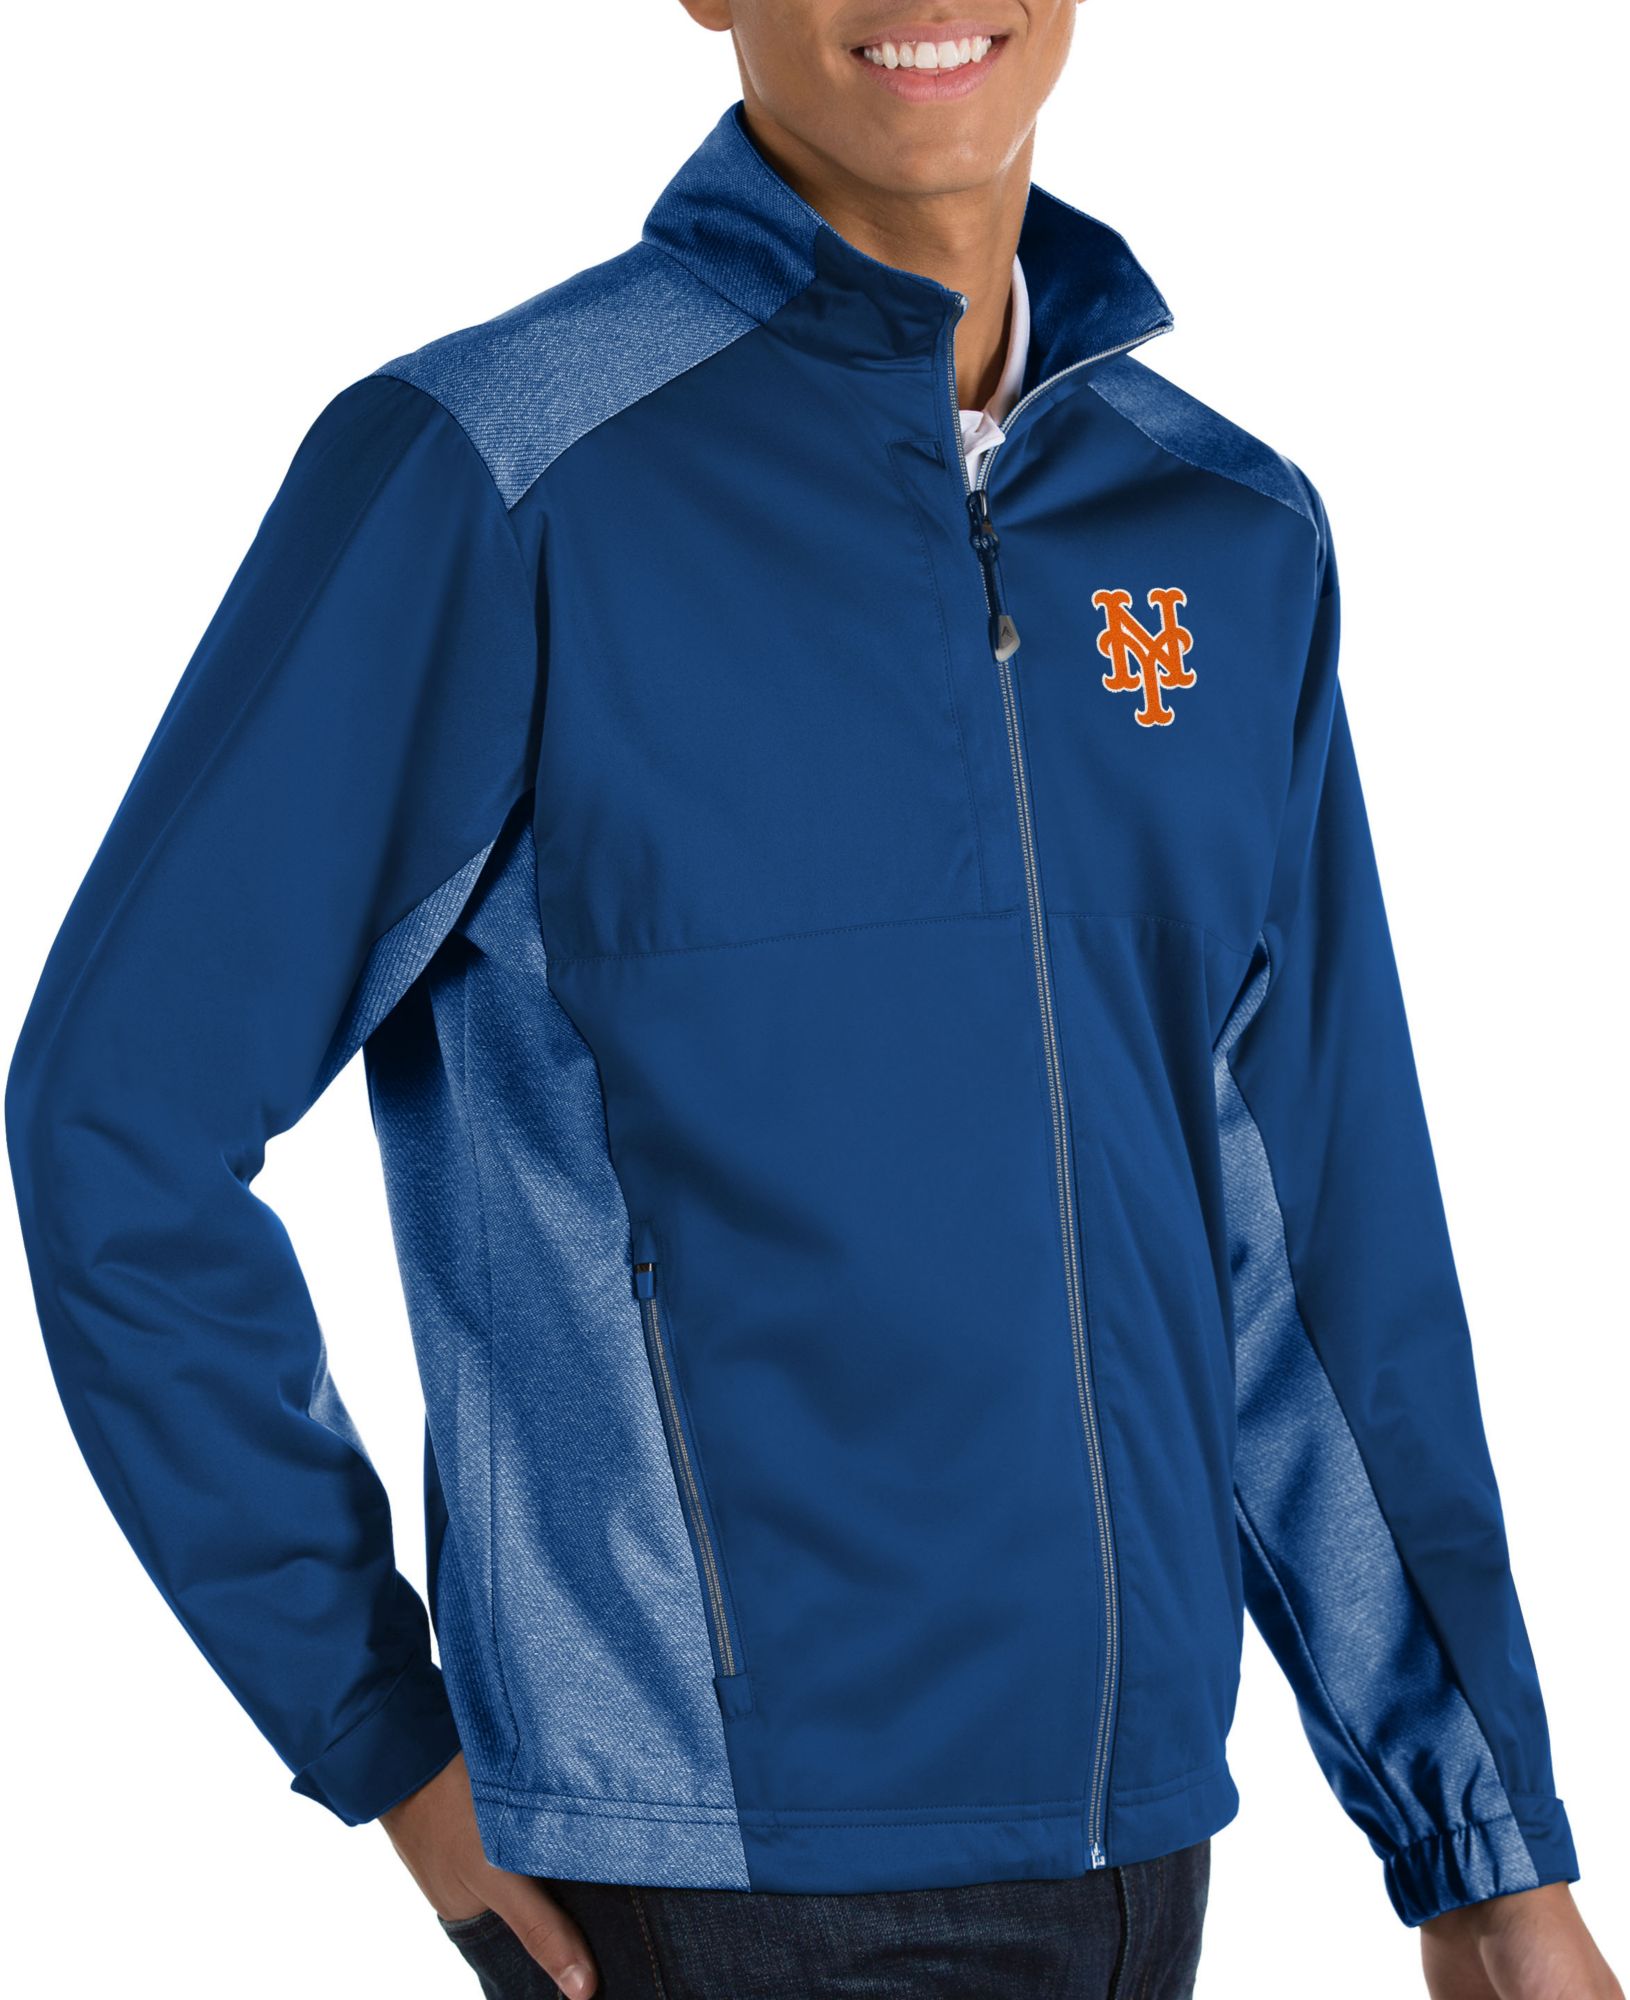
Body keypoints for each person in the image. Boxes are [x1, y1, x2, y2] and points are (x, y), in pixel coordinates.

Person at [6, 4, 1621, 1996]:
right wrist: (380, 1733)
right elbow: (118, 1120)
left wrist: (1477, 1846)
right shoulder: (501, 475)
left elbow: (1308, 1244)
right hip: (701, 1872)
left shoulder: (1222, 530)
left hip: (1133, 1850)